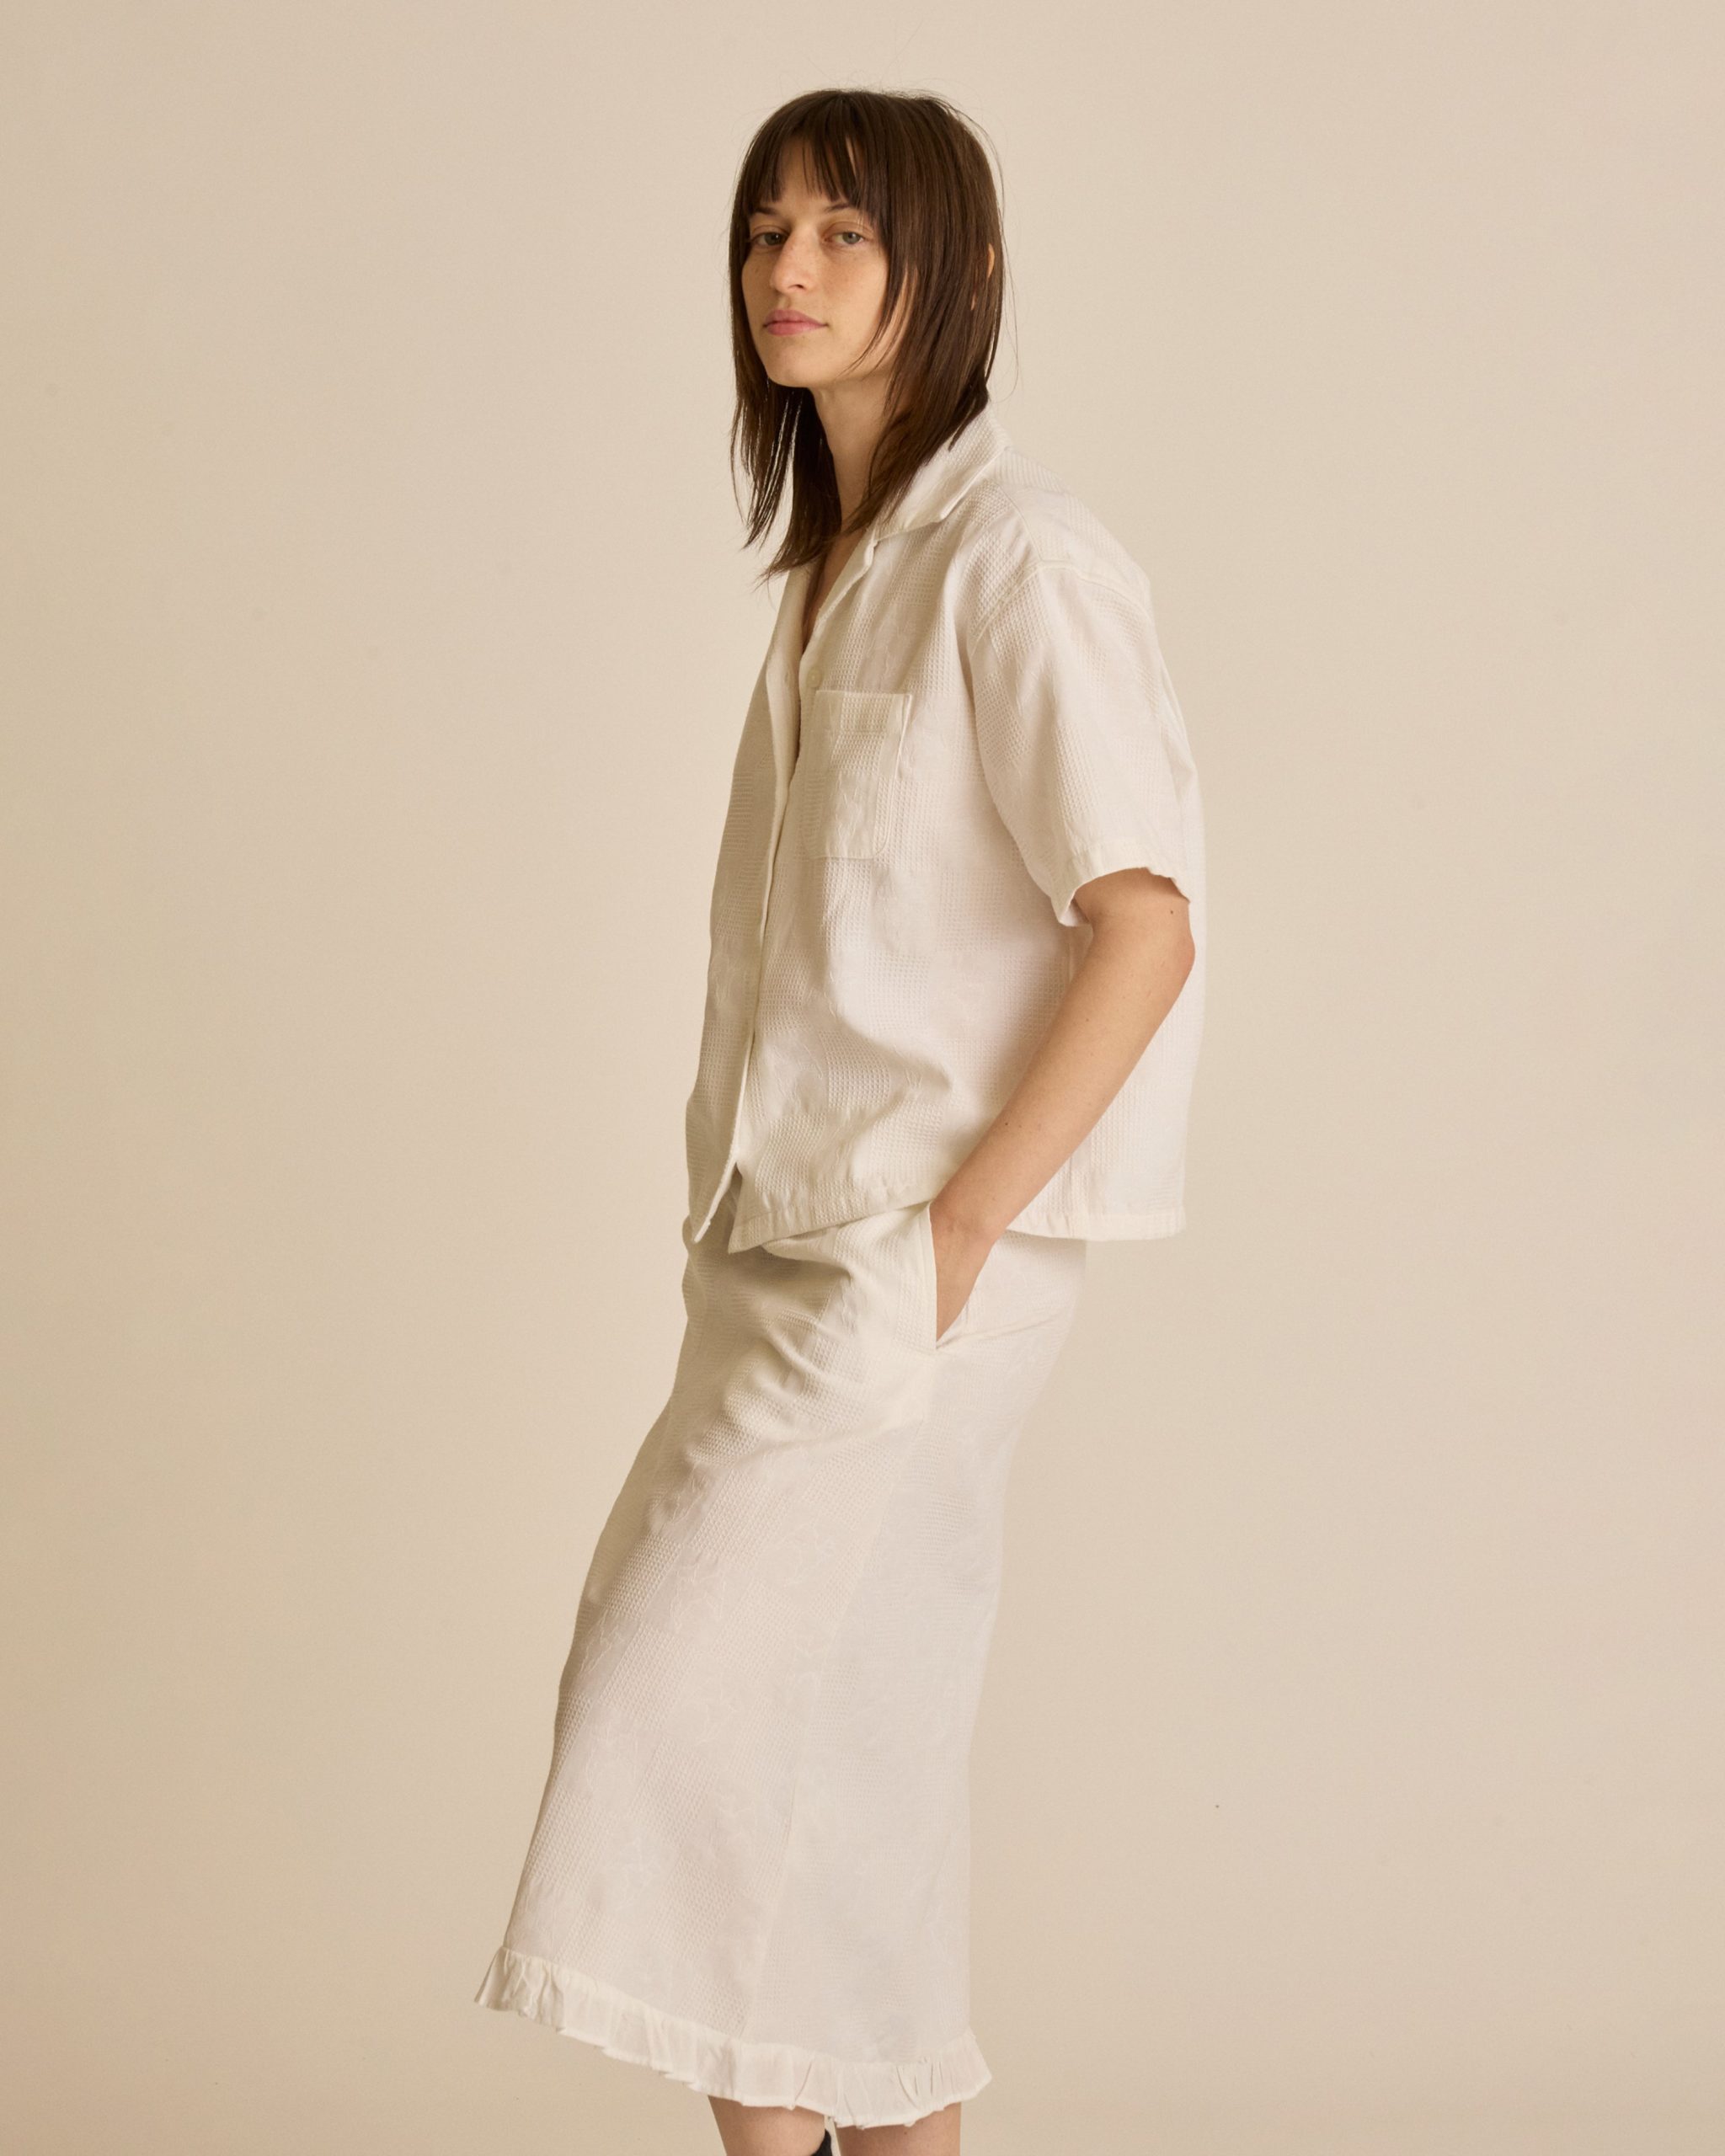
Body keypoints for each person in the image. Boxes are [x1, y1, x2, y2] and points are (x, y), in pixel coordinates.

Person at [473, 87, 1205, 2156]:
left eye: (840, 236)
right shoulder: (835, 570)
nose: (783, 271)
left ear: (949, 270)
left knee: (692, 1744)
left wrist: (956, 1237)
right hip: (773, 1250)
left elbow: (1144, 923)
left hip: (906, 1271)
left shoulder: (1020, 555)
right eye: (761, 232)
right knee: (833, 1817)